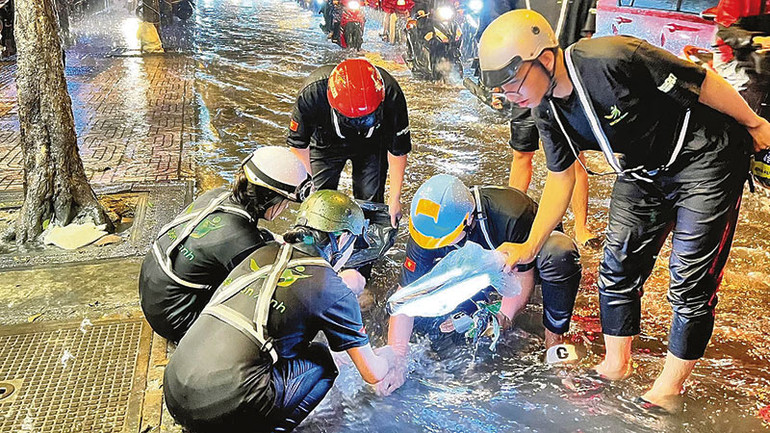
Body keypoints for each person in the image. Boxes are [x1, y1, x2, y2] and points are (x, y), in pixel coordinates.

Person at [478, 10, 770, 412]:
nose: (510, 96)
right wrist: (529, 246)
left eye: (513, 83)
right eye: (503, 90)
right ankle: (617, 364)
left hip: (705, 156)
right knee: (616, 266)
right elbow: (560, 178)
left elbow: (702, 83)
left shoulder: (612, 58)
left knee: (689, 278)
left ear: (544, 59)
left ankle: (668, 389)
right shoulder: (546, 109)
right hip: (642, 170)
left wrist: (755, 124)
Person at [163, 190, 397, 433]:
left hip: (175, 388)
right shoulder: (332, 288)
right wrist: (394, 354)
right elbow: (372, 373)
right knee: (323, 359)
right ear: (341, 239)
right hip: (219, 408)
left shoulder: (262, 251)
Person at [376, 174, 582, 396]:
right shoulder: (425, 233)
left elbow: (524, 276)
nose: (435, 247)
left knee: (559, 253)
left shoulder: (511, 213)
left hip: (527, 260)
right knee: (426, 322)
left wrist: (503, 318)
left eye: (443, 240)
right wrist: (398, 358)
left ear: (468, 219)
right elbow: (407, 298)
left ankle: (555, 339)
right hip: (479, 264)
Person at [139, 146, 313, 342]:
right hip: (178, 321)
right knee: (275, 312)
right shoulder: (241, 239)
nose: (286, 207)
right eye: (286, 201)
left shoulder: (217, 195)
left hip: (154, 293)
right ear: (269, 198)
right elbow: (271, 290)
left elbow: (238, 238)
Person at [288, 58, 411, 229]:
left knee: (371, 206)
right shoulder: (312, 92)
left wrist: (394, 198)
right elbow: (298, 146)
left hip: (372, 146)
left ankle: (365, 245)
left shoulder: (390, 92)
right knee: (318, 206)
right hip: (326, 144)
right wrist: (310, 185)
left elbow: (398, 150)